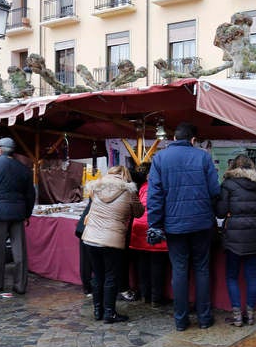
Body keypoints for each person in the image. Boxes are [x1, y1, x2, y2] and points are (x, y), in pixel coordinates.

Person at [148, 122, 220, 331]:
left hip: (174, 225)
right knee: (202, 270)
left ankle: (181, 320)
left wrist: (155, 224)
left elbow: (155, 196)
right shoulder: (203, 157)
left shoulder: (160, 158)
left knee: (179, 271)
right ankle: (205, 319)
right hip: (201, 224)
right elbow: (215, 191)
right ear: (193, 140)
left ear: (174, 138)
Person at [214, 154, 256, 326]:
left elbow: (219, 212)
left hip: (234, 236)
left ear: (233, 167)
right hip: (254, 235)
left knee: (232, 276)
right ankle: (250, 314)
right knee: (251, 276)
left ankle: (237, 316)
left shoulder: (227, 185)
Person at [81, 166, 144, 323]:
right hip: (112, 239)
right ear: (125, 175)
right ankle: (109, 313)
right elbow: (139, 212)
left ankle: (98, 311)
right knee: (110, 275)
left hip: (90, 238)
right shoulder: (129, 191)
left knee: (98, 274)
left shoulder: (95, 188)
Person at [0, 137, 35, 295]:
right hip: (18, 213)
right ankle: (20, 285)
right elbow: (31, 194)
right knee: (19, 250)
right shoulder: (24, 168)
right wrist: (27, 213)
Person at [129, 163, 169, 308]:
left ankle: (145, 295)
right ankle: (156, 299)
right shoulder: (164, 187)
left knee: (142, 264)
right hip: (155, 228)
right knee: (157, 265)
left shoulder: (143, 187)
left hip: (138, 228)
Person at [75, 199, 94, 297]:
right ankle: (89, 287)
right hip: (94, 227)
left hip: (86, 226)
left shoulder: (96, 187)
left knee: (86, 260)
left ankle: (87, 288)